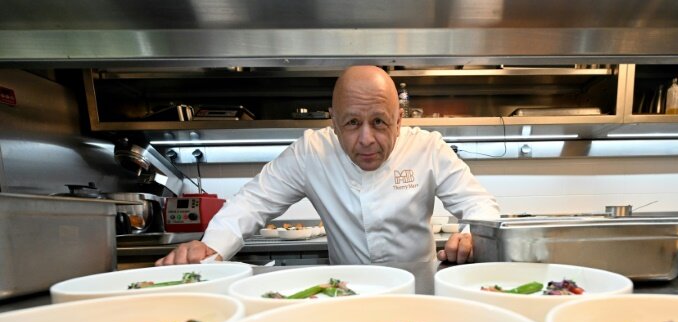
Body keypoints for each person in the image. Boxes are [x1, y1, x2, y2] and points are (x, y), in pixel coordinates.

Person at [156, 65, 500, 266]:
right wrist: (212, 247)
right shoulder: (312, 152)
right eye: (352, 123)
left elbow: (479, 205)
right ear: (333, 122)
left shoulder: (427, 148)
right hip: (348, 295)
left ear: (399, 120)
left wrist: (471, 236)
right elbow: (252, 202)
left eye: (379, 122)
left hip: (418, 293)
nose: (366, 139)